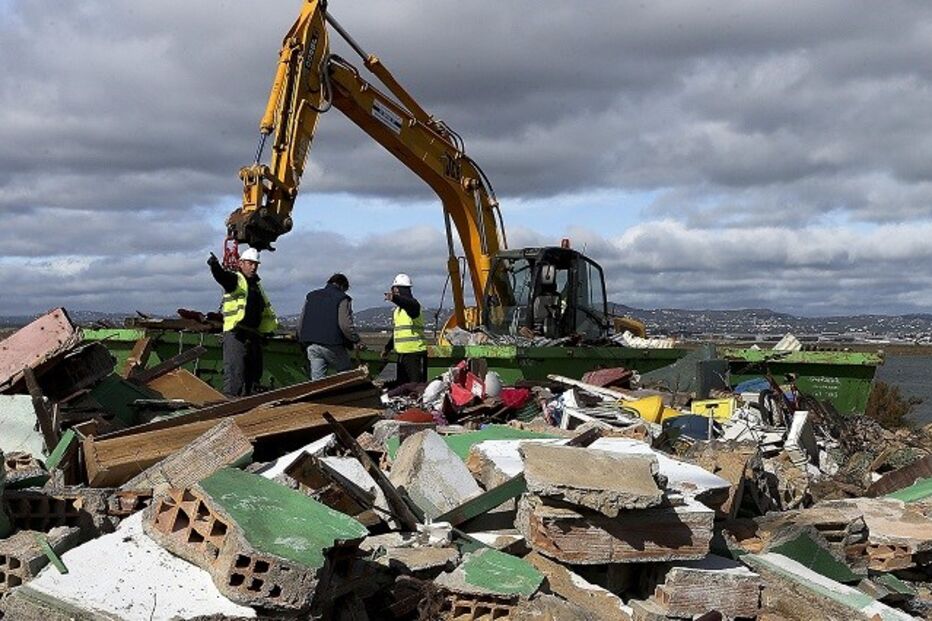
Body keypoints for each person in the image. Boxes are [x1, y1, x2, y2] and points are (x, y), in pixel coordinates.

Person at [208, 247, 278, 397]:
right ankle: (232, 405)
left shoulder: (256, 285)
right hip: (236, 333)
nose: (253, 267)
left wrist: (266, 331)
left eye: (256, 264)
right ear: (241, 263)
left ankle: (249, 403)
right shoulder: (236, 280)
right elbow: (222, 277)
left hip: (253, 334)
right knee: (235, 372)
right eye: (250, 263)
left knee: (254, 374)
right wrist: (214, 266)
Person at [297, 273, 362, 381]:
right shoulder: (342, 298)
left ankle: (319, 397)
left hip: (311, 345)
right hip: (333, 345)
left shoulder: (311, 296)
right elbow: (345, 325)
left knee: (317, 382)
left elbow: (301, 323)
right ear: (342, 286)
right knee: (345, 375)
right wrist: (356, 339)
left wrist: (301, 340)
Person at [381, 273, 428, 384]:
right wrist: (388, 348)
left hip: (414, 353)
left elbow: (409, 303)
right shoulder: (398, 311)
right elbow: (397, 333)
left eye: (394, 289)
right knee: (403, 386)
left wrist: (394, 298)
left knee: (416, 386)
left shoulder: (413, 306)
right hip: (402, 354)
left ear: (397, 289)